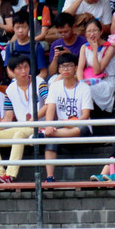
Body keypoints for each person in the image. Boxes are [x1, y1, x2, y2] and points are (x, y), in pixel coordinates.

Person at [0, 54, 45, 183]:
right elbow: (7, 118)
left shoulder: (39, 82)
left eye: (26, 67)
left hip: (39, 127)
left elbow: (48, 105)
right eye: (19, 68)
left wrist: (34, 119)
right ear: (12, 71)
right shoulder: (10, 89)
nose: (23, 71)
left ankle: (10, 175)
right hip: (22, 126)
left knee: (18, 134)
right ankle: (0, 174)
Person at [41, 51, 92, 182]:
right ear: (58, 69)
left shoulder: (84, 88)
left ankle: (49, 134)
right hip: (62, 125)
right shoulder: (55, 86)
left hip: (80, 125)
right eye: (63, 66)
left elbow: (85, 115)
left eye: (69, 66)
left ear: (76, 67)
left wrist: (53, 130)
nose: (66, 69)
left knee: (79, 129)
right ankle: (50, 176)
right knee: (50, 142)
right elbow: (50, 108)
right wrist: (49, 124)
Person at [77, 18, 115, 113]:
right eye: (89, 31)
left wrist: (95, 50)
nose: (92, 34)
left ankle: (85, 116)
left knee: (86, 89)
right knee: (78, 87)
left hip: (107, 82)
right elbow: (79, 69)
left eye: (95, 31)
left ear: (101, 32)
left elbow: (97, 70)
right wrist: (80, 82)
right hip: (91, 80)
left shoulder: (109, 48)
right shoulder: (84, 47)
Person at [3, 14, 48, 79]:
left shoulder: (37, 47)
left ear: (29, 27)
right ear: (13, 28)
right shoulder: (10, 47)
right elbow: (9, 71)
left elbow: (43, 73)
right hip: (16, 81)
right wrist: (21, 79)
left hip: (33, 82)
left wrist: (30, 80)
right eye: (17, 28)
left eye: (24, 27)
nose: (20, 31)